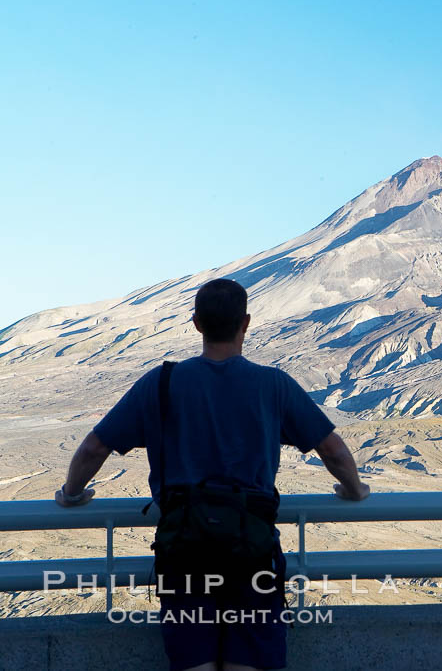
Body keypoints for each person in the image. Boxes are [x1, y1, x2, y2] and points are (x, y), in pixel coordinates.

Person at [54, 278, 370, 671]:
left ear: (196, 323)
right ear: (247, 323)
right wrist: (354, 490)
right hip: (251, 549)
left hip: (184, 549)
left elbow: (93, 448)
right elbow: (334, 451)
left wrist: (70, 493)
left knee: (193, 663)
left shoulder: (162, 383)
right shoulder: (273, 385)